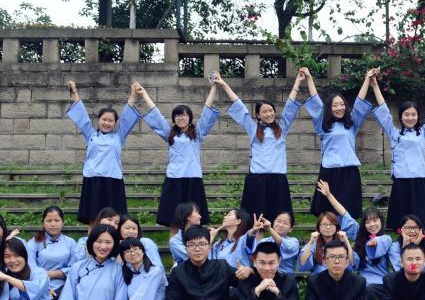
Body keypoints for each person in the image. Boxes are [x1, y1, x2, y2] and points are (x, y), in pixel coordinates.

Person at [133, 78, 221, 231]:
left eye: (184, 115)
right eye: (177, 115)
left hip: (193, 179)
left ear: (190, 117)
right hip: (174, 180)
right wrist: (144, 94)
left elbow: (207, 111)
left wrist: (214, 87)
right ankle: (175, 246)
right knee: (174, 220)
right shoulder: (169, 134)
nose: (181, 118)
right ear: (174, 119)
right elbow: (156, 115)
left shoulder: (197, 133)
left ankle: (192, 244)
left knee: (194, 220)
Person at [370, 77, 425, 228]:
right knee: (401, 223)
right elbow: (384, 112)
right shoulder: (394, 133)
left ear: (418, 116)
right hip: (401, 181)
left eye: (413, 114)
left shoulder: (424, 132)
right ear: (401, 116)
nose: (410, 118)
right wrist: (375, 86)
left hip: (420, 181)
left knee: (424, 222)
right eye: (406, 114)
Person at [226, 68, 308, 221]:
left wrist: (297, 82)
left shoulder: (282, 128)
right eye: (264, 112)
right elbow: (239, 105)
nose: (269, 114)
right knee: (256, 219)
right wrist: (224, 85)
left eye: (271, 110)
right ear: (258, 115)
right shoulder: (252, 128)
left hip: (278, 180)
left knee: (279, 218)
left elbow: (289, 107)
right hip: (257, 180)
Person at [304, 67, 376, 219]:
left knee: (347, 210)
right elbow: (316, 101)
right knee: (328, 213)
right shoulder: (322, 124)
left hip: (349, 172)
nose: (339, 108)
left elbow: (359, 102)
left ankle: (346, 233)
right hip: (329, 172)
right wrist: (309, 78)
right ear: (329, 108)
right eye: (335, 105)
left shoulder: (352, 123)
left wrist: (367, 80)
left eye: (342, 104)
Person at [67, 80, 140, 223]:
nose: (106, 123)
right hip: (93, 181)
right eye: (104, 119)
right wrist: (74, 92)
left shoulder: (119, 136)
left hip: (113, 182)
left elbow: (127, 116)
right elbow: (81, 115)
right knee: (93, 218)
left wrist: (133, 94)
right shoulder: (91, 134)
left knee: (114, 219)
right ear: (98, 120)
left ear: (115, 123)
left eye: (110, 121)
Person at [315, 180, 391, 284]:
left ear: (381, 221)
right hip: (363, 282)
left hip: (381, 282)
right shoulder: (360, 234)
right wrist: (329, 195)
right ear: (364, 224)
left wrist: (375, 242)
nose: (372, 225)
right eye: (368, 222)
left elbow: (384, 241)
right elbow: (344, 214)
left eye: (375, 220)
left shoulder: (386, 239)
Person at [26, 206, 76, 300]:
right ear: (43, 223)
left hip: (64, 287)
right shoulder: (34, 242)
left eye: (57, 220)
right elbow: (30, 266)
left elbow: (74, 268)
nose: (53, 224)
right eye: (49, 221)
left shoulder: (70, 243)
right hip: (39, 284)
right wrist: (44, 285)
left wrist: (52, 274)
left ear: (63, 222)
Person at [298, 202, 356, 276]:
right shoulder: (315, 242)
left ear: (336, 227)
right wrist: (311, 243)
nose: (328, 227)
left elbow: (352, 263)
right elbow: (302, 264)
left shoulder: (341, 241)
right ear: (319, 227)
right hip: (320, 277)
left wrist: (346, 242)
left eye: (331, 224)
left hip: (339, 276)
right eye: (325, 224)